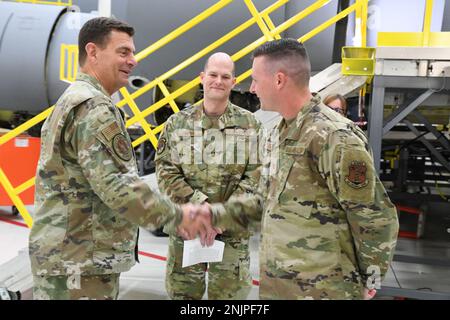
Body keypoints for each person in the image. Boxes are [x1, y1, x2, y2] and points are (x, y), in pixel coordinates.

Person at [203, 39, 399, 299]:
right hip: (280, 285)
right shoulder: (279, 132)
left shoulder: (333, 137)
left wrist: (370, 279)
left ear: (279, 80)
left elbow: (373, 215)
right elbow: (268, 197)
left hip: (325, 288)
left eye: (256, 80)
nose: (251, 89)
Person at [28, 17, 206, 300]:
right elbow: (118, 187)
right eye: (123, 52)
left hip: (70, 255)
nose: (133, 61)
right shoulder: (94, 108)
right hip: (82, 263)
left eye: (132, 52)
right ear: (93, 52)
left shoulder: (74, 98)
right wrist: (179, 217)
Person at [155, 52, 262, 300]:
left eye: (225, 76)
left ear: (234, 82)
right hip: (187, 228)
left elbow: (257, 175)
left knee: (229, 299)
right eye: (213, 74)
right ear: (202, 78)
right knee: (183, 297)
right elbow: (166, 171)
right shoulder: (177, 123)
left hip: (232, 232)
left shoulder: (250, 125)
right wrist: (200, 209)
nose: (218, 81)